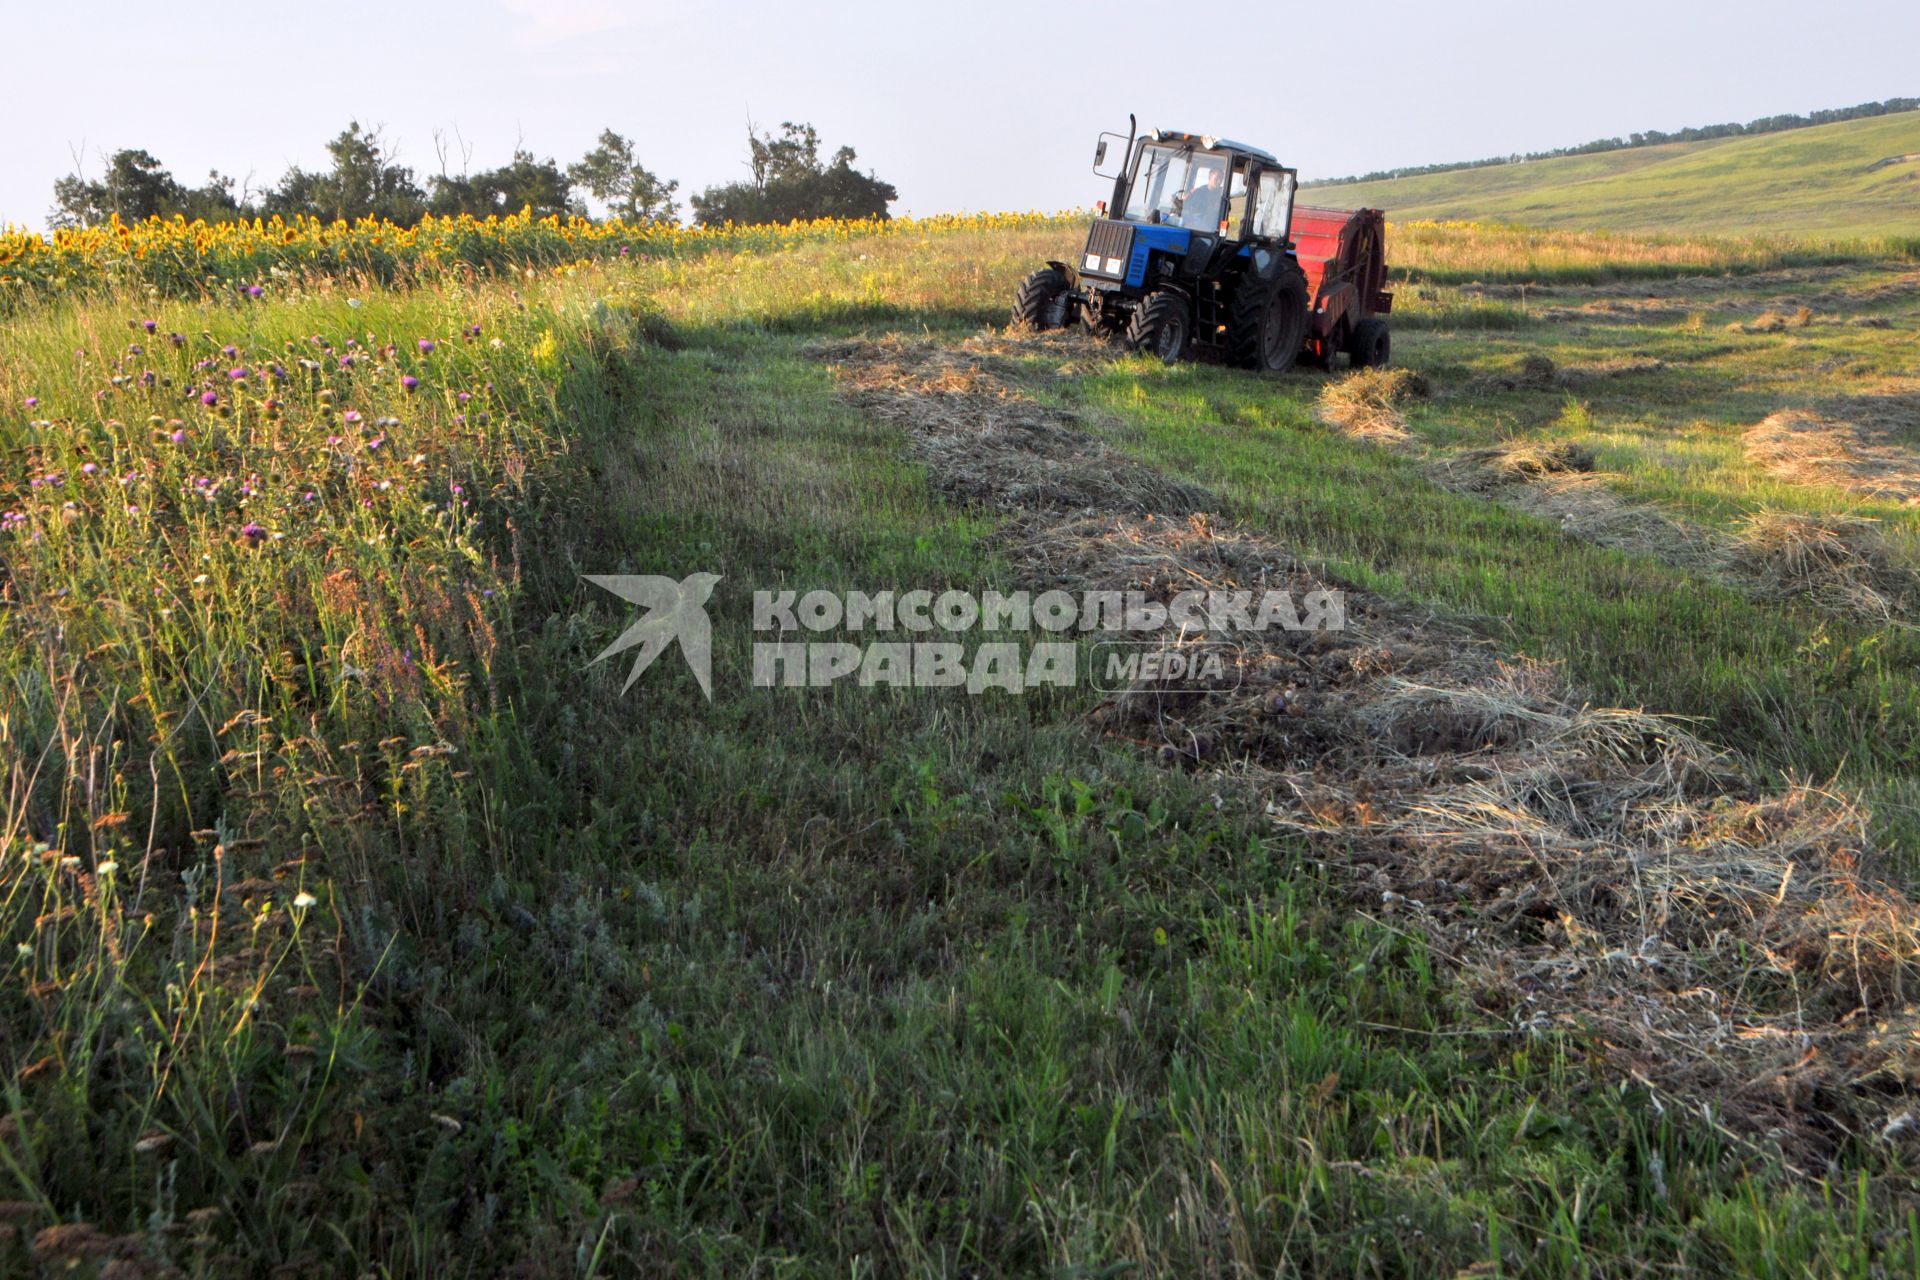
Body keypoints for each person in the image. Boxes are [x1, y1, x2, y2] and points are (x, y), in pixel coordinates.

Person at [1177, 165, 1225, 230]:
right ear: (1210, 177)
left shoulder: (1223, 194)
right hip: (1196, 226)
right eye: (1216, 179)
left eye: (1221, 179)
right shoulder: (1197, 192)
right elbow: (1184, 207)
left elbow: (1226, 211)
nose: (1219, 182)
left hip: (1213, 228)